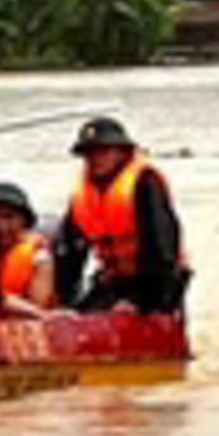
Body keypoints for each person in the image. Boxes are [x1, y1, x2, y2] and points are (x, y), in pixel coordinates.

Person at [53, 116, 191, 315]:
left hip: (158, 284)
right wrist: (65, 302)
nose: (96, 159)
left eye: (104, 151)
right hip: (114, 282)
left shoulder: (145, 182)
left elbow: (162, 248)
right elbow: (71, 251)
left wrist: (143, 303)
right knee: (78, 315)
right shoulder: (82, 194)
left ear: (122, 152)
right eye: (89, 154)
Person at [0, 182, 55, 318]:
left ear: (24, 221)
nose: (0, 226)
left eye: (9, 217)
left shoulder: (40, 256)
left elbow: (38, 308)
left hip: (22, 327)